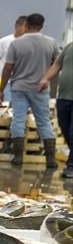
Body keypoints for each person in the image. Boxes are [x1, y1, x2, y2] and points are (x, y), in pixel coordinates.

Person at [0, 13, 60, 169]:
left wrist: (1, 88)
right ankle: (50, 160)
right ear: (42, 26)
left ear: (26, 25)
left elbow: (8, 68)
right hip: (41, 88)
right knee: (44, 121)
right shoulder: (51, 43)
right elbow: (57, 64)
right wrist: (46, 78)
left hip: (19, 87)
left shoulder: (16, 44)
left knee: (18, 120)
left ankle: (18, 157)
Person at [39, 38, 73, 177]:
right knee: (65, 130)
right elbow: (56, 65)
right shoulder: (69, 46)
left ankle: (71, 167)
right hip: (64, 97)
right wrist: (45, 78)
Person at [0, 15, 27, 105]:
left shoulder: (28, 43)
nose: (26, 29)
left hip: (22, 83)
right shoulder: (4, 41)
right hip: (6, 81)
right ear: (17, 26)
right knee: (4, 105)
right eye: (25, 26)